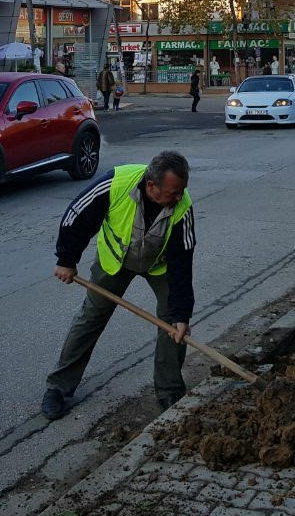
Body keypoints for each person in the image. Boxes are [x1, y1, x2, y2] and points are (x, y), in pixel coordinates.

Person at [41, 151, 196, 419]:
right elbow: (76, 216)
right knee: (91, 317)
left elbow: (183, 264)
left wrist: (182, 314)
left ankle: (170, 391)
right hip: (115, 260)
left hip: (160, 266)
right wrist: (67, 259)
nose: (179, 197)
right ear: (151, 186)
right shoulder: (116, 183)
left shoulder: (183, 207)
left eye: (182, 190)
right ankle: (58, 388)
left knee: (173, 325)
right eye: (173, 192)